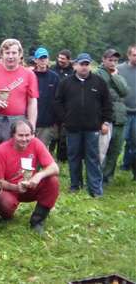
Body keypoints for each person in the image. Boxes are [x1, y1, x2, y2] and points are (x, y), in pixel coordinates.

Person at [54, 53, 112, 197]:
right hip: (72, 128)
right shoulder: (66, 83)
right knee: (74, 157)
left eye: (87, 64)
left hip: (93, 128)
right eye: (81, 64)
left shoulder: (99, 82)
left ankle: (95, 190)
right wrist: (65, 119)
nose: (84, 67)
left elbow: (107, 104)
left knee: (93, 158)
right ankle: (75, 186)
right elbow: (57, 102)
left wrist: (105, 121)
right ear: (75, 65)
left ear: (90, 65)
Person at [0, 120, 60, 234]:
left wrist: (39, 175)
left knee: (53, 181)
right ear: (12, 135)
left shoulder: (36, 143)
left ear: (32, 134)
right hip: (10, 189)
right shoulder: (2, 150)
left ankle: (37, 221)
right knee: (4, 204)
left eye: (28, 135)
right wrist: (15, 187)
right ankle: (5, 216)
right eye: (20, 135)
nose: (25, 139)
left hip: (31, 185)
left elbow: (55, 168)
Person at [0, 38, 39, 145]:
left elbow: (32, 102)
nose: (10, 56)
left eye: (14, 53)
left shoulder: (29, 74)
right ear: (2, 54)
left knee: (13, 154)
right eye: (7, 53)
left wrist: (31, 127)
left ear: (20, 54)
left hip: (17, 121)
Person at [96, 49, 129, 184]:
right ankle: (97, 177)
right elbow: (106, 93)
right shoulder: (98, 74)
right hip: (105, 118)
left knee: (116, 150)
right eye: (110, 60)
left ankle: (107, 177)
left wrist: (115, 77)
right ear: (103, 59)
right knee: (101, 151)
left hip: (120, 118)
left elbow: (125, 91)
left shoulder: (117, 74)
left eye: (115, 61)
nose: (113, 63)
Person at [33, 47, 60, 149]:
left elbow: (58, 100)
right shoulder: (30, 75)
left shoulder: (54, 77)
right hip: (30, 121)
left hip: (47, 123)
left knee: (41, 150)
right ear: (35, 60)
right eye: (40, 58)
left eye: (45, 58)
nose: (43, 60)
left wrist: (56, 121)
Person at [118, 44, 136, 180]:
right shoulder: (119, 70)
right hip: (123, 112)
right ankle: (122, 165)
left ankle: (128, 165)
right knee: (119, 141)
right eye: (134, 55)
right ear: (129, 55)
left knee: (133, 142)